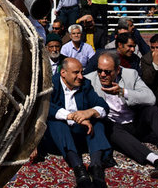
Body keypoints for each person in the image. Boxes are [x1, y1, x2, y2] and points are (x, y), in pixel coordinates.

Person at [41, 58, 111, 188]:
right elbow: (45, 106)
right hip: (60, 139)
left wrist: (88, 112)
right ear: (63, 73)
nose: (80, 76)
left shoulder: (85, 84)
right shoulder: (51, 84)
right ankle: (79, 169)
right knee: (56, 122)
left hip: (82, 134)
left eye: (81, 72)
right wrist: (71, 116)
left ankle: (96, 167)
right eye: (75, 73)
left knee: (98, 122)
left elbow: (102, 106)